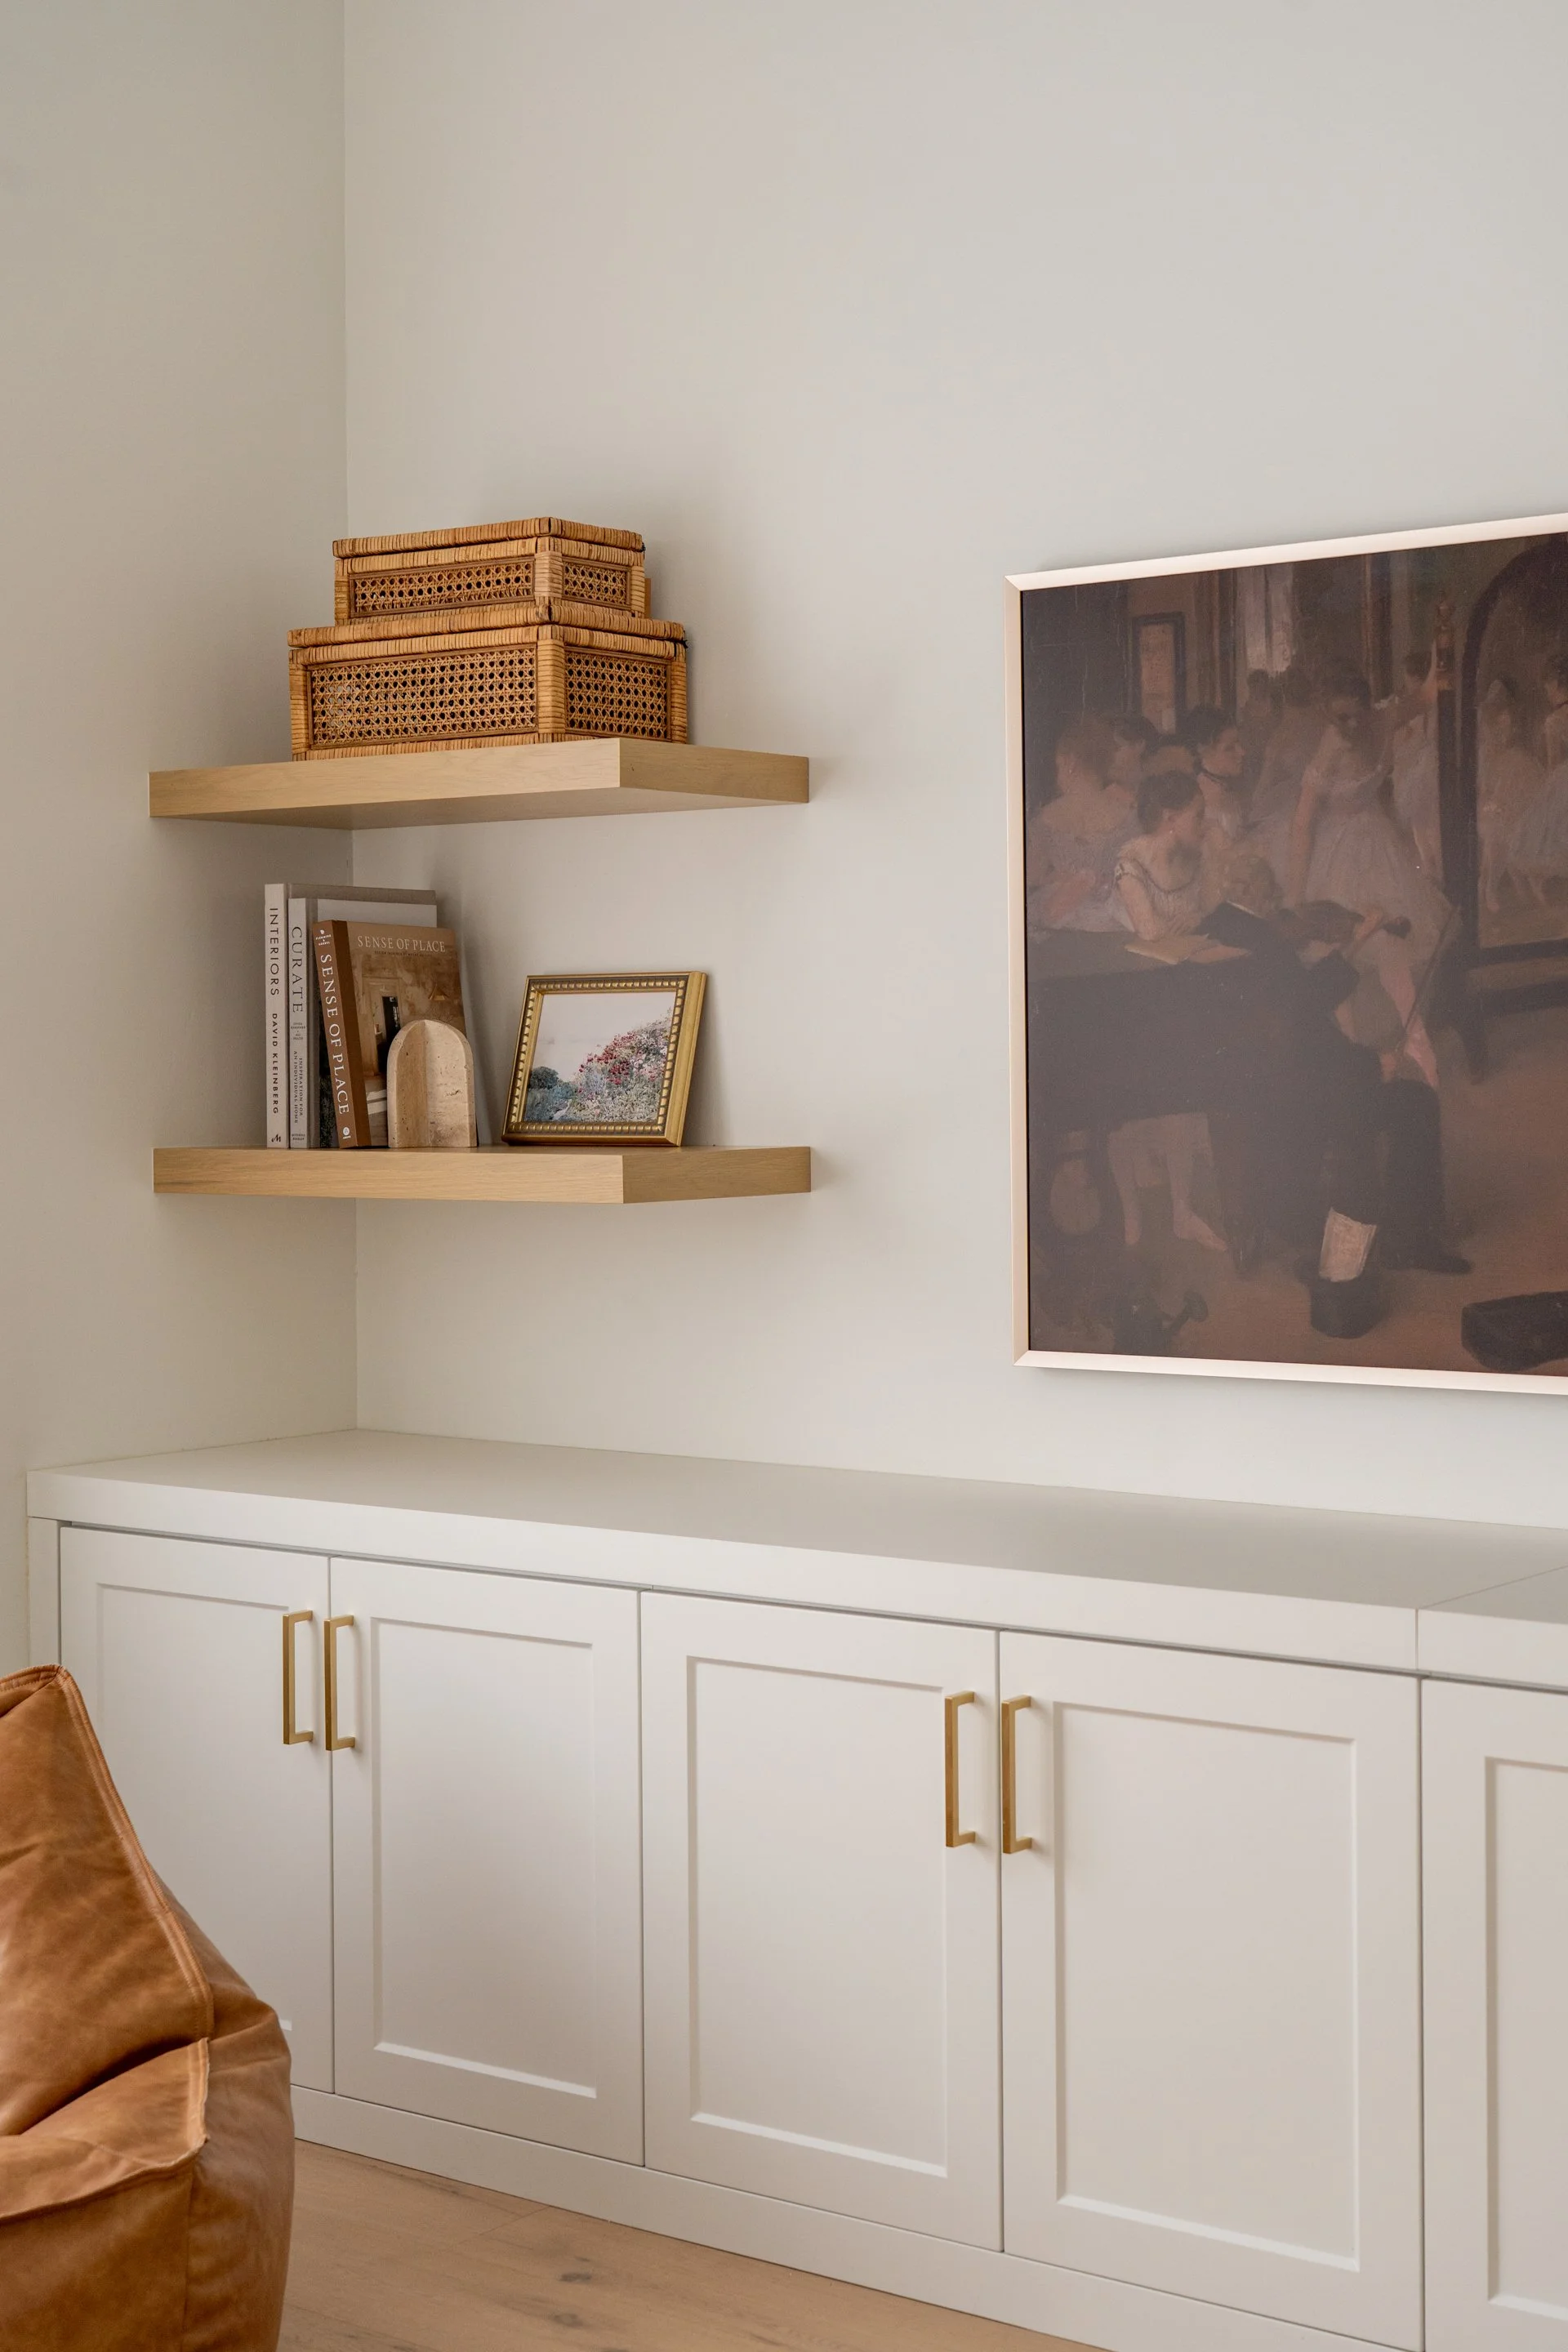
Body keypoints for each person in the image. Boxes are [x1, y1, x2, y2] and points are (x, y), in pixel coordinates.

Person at [1107, 773, 1227, 1251]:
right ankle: (1130, 1215)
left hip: (1182, 991)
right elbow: (1151, 931)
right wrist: (1192, 925)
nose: (1205, 823)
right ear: (1170, 818)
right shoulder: (1132, 860)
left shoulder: (1200, 855)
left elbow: (1216, 914)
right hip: (1132, 998)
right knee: (1127, 1113)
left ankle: (1182, 1213)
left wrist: (1194, 924)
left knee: (1182, 1104)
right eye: (1198, 815)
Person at [1288, 668, 1450, 967]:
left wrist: (1440, 649)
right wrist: (1295, 899)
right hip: (1337, 848)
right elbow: (1302, 824)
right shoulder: (1331, 747)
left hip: (1377, 835)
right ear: (1327, 714)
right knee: (1351, 939)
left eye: (1358, 714)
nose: (1353, 724)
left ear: (1369, 706)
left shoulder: (1384, 719)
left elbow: (1428, 695)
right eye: (1342, 718)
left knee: (1400, 931)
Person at [1024, 716, 1136, 932]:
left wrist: (1059, 878)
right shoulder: (1128, 816)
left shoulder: (1046, 818)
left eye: (1058, 766)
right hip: (1113, 923)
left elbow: (1031, 876)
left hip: (1062, 924)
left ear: (1070, 762)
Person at [1477, 677, 1545, 912]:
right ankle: (1489, 888)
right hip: (1497, 780)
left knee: (1511, 835)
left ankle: (1501, 887)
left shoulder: (1515, 719)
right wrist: (1488, 793)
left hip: (1514, 774)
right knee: (1496, 836)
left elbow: (1518, 742)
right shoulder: (1487, 728)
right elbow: (1488, 760)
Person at [1510, 657, 1568, 898]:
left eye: (1547, 687)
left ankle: (1543, 888)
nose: (1547, 692)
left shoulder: (1555, 721)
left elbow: (1555, 765)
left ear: (1555, 683)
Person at [1387, 648, 1441, 880]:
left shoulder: (1430, 707)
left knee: (1430, 820)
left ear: (1420, 680)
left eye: (1409, 681)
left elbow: (1425, 737)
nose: (1407, 686)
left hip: (1429, 764)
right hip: (1414, 765)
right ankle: (1427, 864)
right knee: (1418, 819)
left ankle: (1437, 864)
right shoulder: (1409, 706)